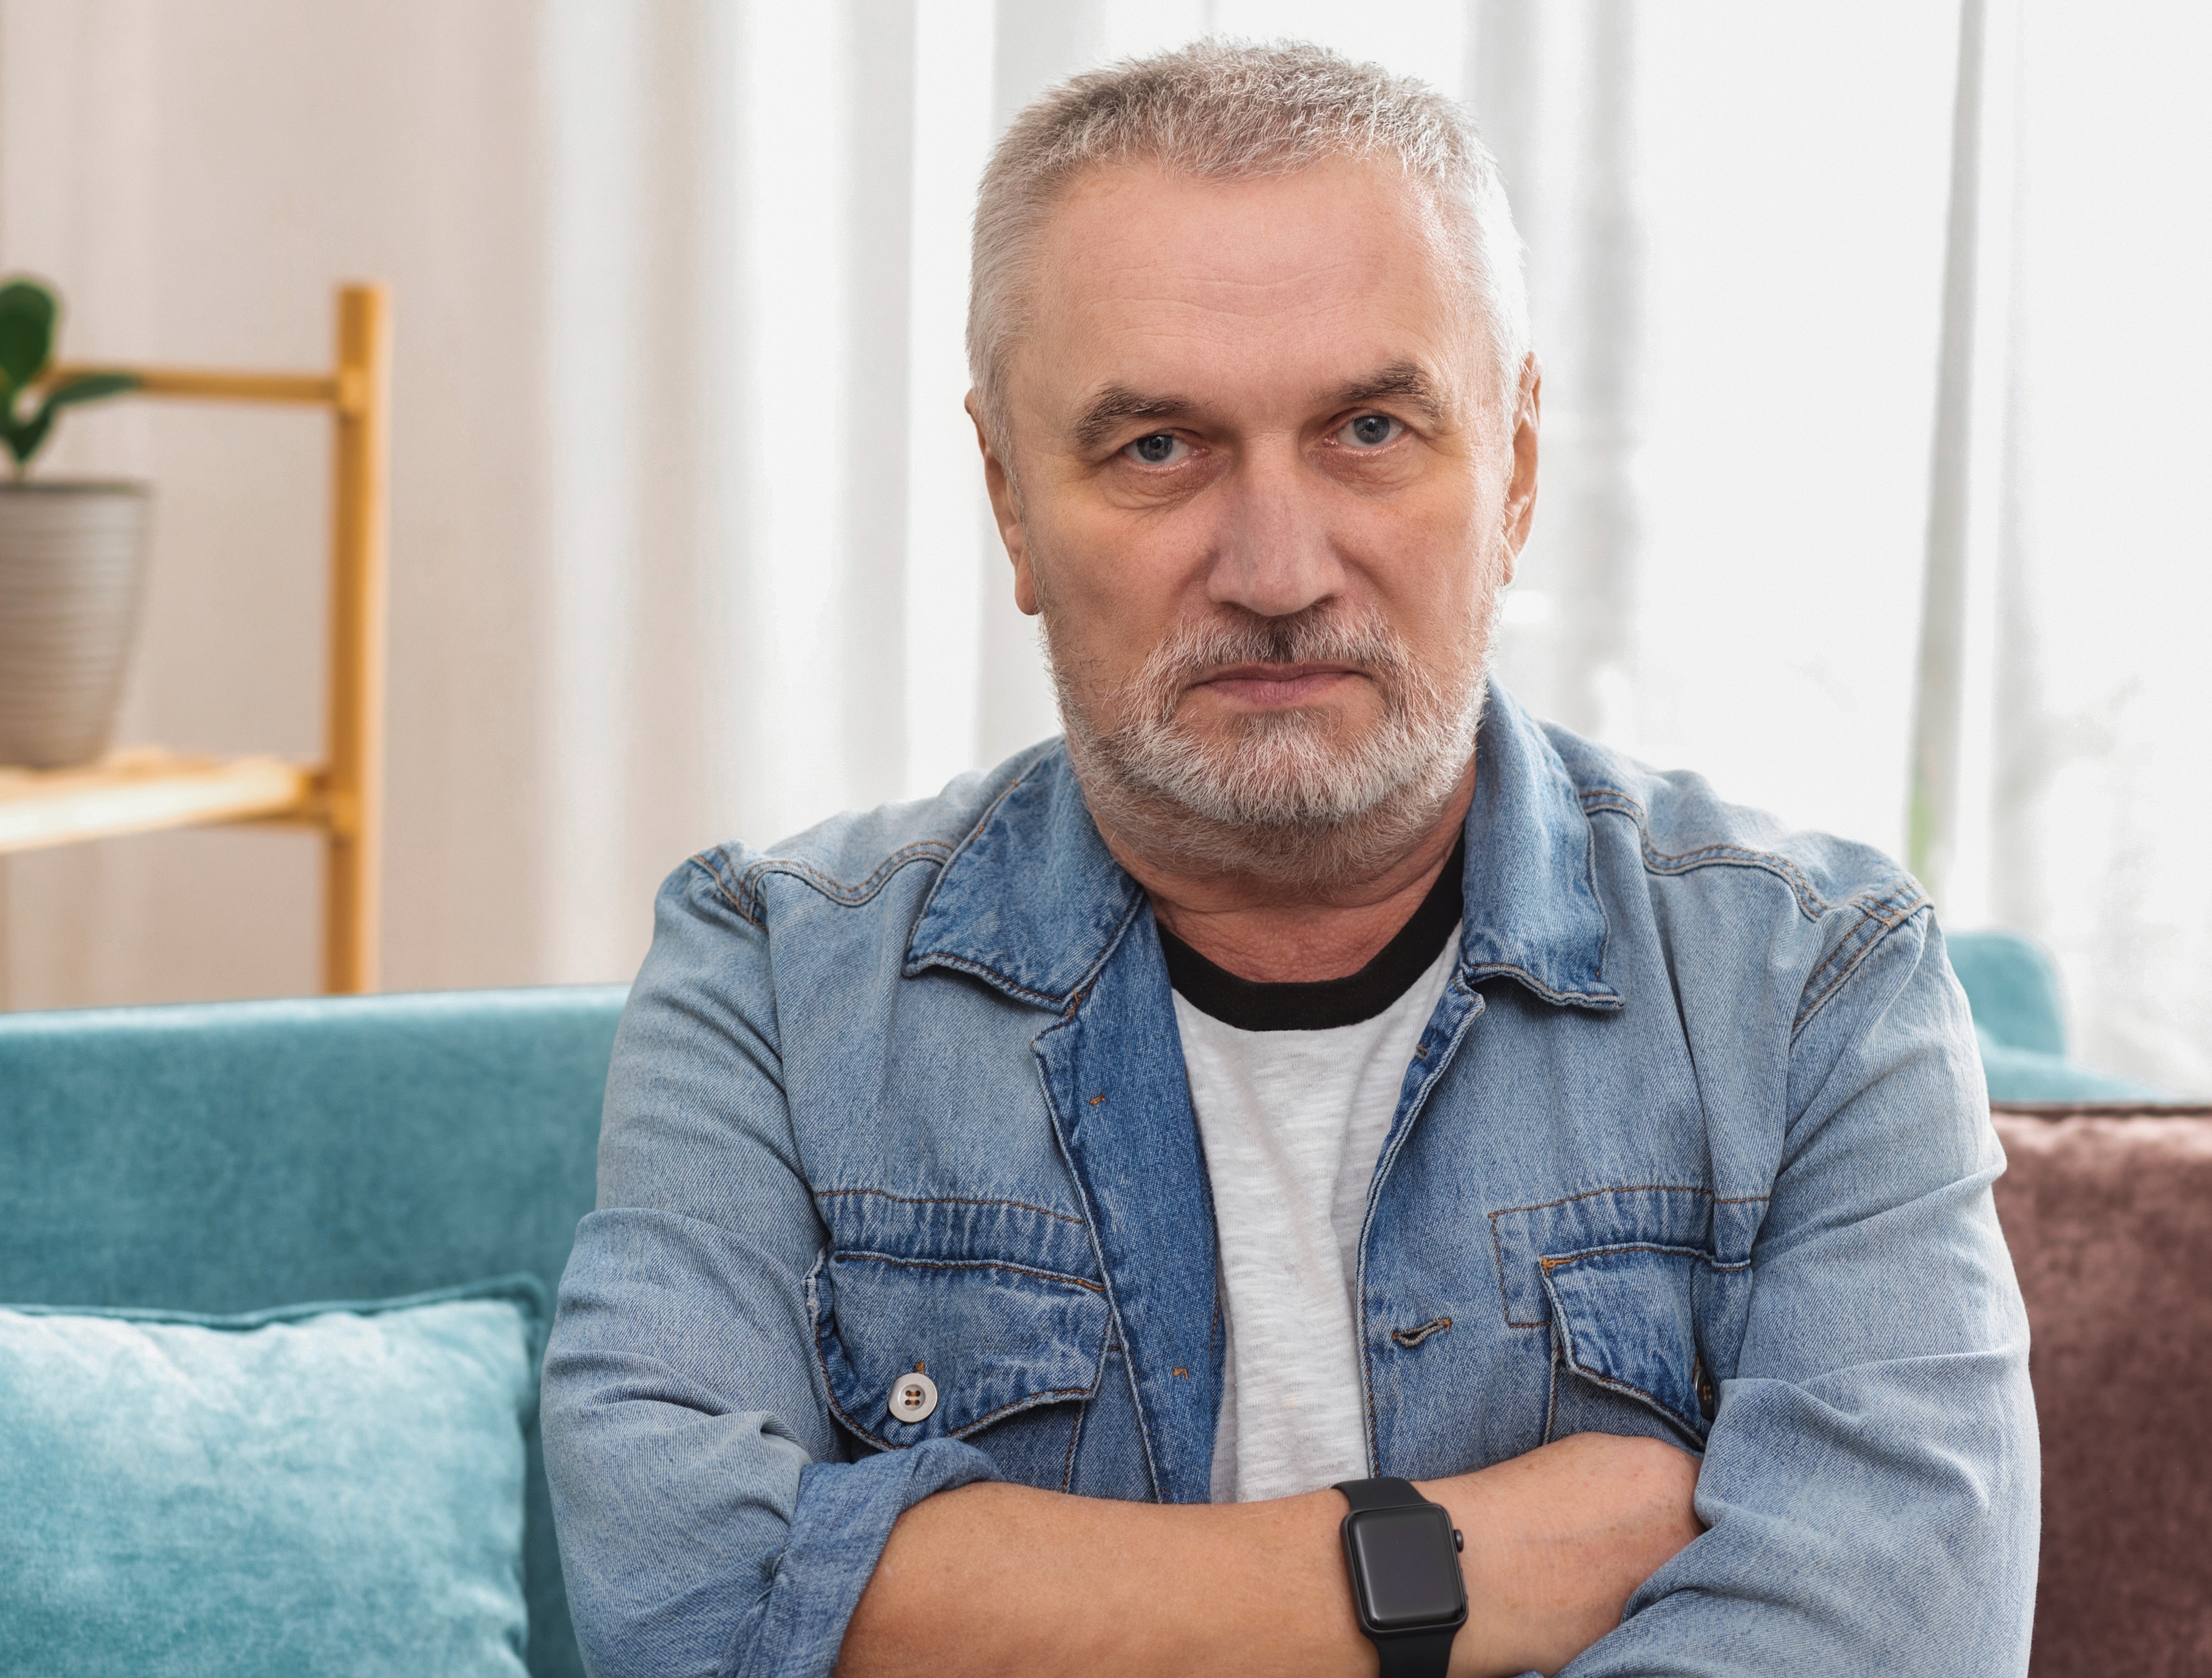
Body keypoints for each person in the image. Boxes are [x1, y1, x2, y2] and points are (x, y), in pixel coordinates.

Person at [544, 38, 2038, 1678]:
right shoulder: (767, 979)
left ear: (1518, 468)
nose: (1274, 567)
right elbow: (676, 1611)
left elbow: (1891, 1636)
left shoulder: (1816, 988)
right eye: (1158, 449)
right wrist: (1434, 1570)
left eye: (1371, 429)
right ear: (1009, 501)